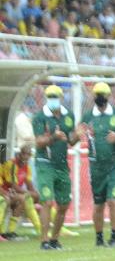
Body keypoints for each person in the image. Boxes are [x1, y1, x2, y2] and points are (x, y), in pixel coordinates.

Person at [32, 85, 84, 250]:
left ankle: (55, 239)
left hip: (62, 165)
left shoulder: (68, 116)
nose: (53, 99)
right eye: (50, 96)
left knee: (63, 204)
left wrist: (78, 135)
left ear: (61, 97)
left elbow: (70, 141)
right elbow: (39, 142)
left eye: (55, 96)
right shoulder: (40, 117)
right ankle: (44, 241)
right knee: (47, 201)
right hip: (45, 164)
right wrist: (54, 137)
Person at [80, 82, 115, 247]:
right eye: (97, 94)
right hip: (96, 166)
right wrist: (78, 133)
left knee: (113, 200)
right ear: (93, 96)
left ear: (109, 96)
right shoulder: (88, 116)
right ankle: (99, 238)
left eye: (103, 94)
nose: (100, 97)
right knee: (98, 203)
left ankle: (114, 237)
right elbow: (77, 135)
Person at [1, 145, 42, 239]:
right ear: (19, 154)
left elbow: (29, 184)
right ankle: (4, 232)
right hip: (5, 192)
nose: (26, 160)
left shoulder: (26, 167)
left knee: (35, 199)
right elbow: (13, 185)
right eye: (24, 156)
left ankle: (11, 232)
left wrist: (35, 193)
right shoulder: (11, 164)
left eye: (28, 157)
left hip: (11, 193)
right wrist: (28, 193)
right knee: (24, 198)